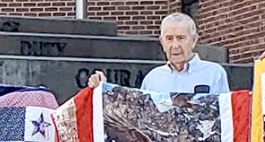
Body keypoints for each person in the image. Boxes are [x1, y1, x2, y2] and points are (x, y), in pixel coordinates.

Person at [87, 13, 229, 94]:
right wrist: (103, 90)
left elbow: (226, 118)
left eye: (181, 38)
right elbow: (136, 115)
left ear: (194, 40)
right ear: (162, 42)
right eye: (169, 39)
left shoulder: (215, 74)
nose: (175, 45)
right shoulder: (152, 79)